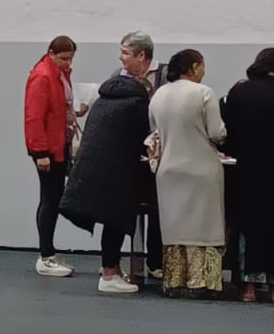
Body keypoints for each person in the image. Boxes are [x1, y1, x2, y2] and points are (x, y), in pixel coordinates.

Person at [59, 70, 151, 294]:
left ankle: (113, 269)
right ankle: (109, 274)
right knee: (115, 220)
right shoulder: (137, 104)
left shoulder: (102, 100)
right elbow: (143, 138)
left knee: (110, 219)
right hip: (116, 169)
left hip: (91, 167)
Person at [150, 49, 228, 298]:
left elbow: (154, 132)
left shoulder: (158, 95)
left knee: (174, 227)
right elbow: (216, 132)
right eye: (202, 66)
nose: (204, 72)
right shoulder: (204, 92)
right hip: (201, 168)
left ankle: (173, 280)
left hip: (168, 170)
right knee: (204, 227)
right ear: (194, 67)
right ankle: (201, 282)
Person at [23, 36, 82, 277]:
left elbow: (58, 108)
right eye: (63, 58)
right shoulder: (43, 76)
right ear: (51, 53)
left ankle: (48, 254)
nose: (68, 63)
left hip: (59, 145)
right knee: (49, 199)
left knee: (53, 198)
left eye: (71, 59)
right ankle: (45, 256)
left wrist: (76, 111)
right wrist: (40, 153)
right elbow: (34, 117)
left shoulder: (59, 74)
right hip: (48, 149)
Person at [222, 48, 274, 302]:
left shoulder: (239, 91)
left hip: (245, 171)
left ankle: (248, 288)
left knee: (246, 227)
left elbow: (226, 133)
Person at [115, 30, 166, 277]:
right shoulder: (118, 76)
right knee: (127, 205)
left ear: (142, 55)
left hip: (159, 150)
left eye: (125, 53)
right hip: (129, 151)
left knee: (158, 206)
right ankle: (124, 261)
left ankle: (156, 262)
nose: (121, 58)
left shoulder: (165, 75)